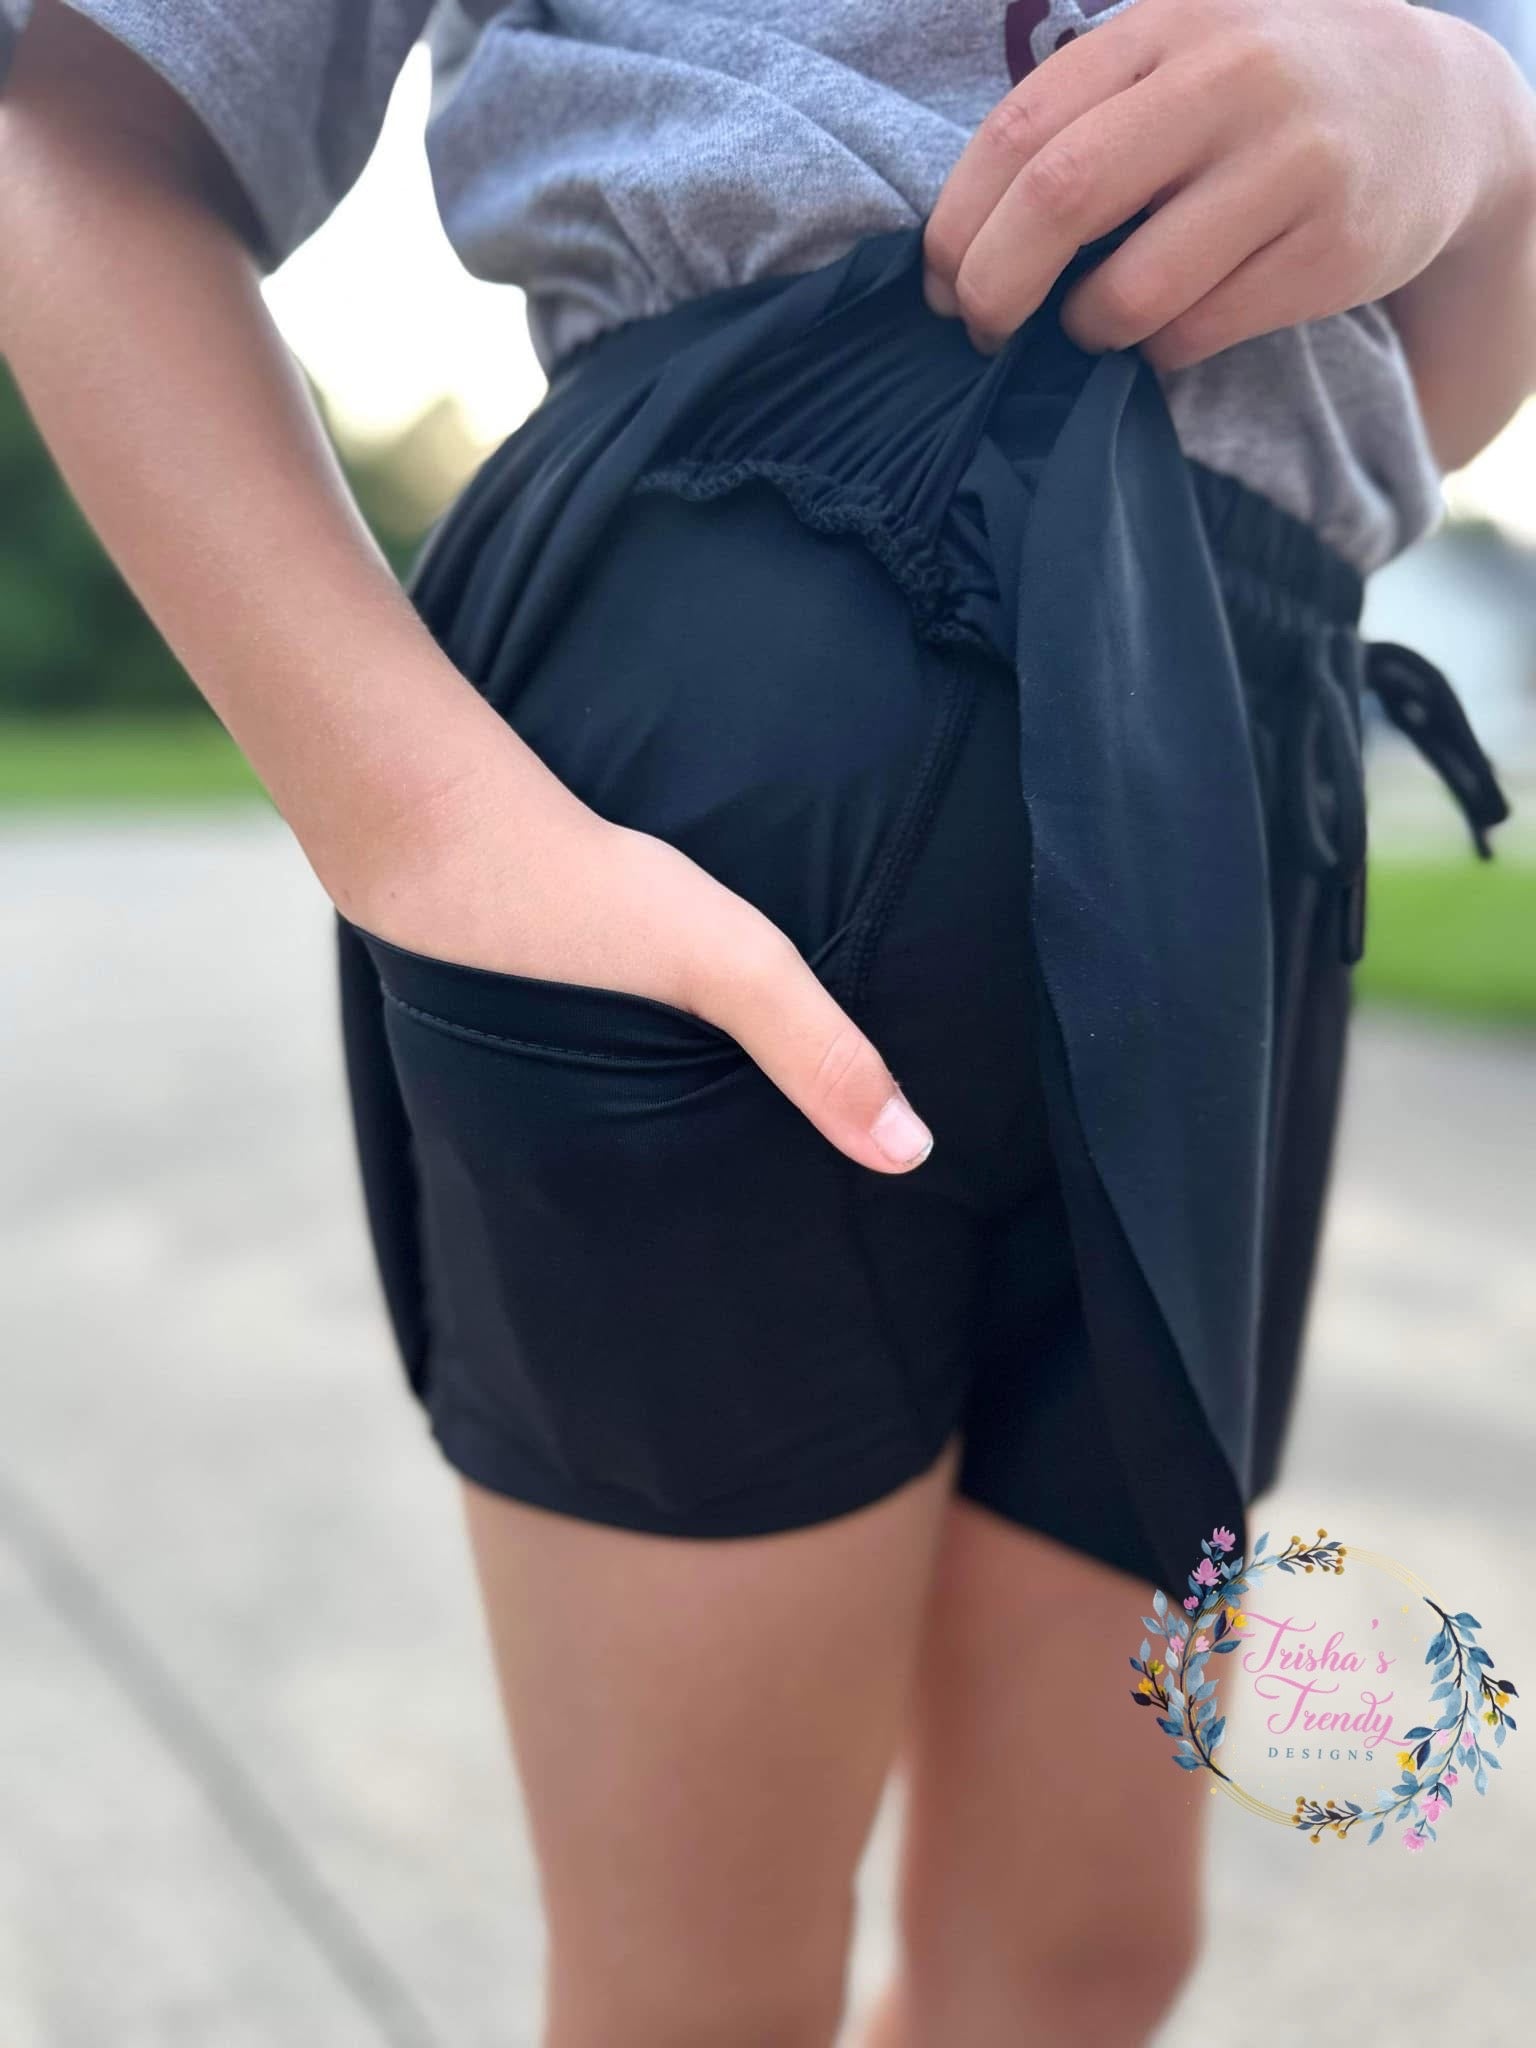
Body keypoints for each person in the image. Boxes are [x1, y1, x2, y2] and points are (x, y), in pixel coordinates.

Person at [1, 2, 1530, 2043]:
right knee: (699, 2000)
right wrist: (415, 823)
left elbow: (1424, 402)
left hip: (1240, 750)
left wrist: (1477, 122)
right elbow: (77, 123)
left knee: (1085, 1959)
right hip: (752, 652)